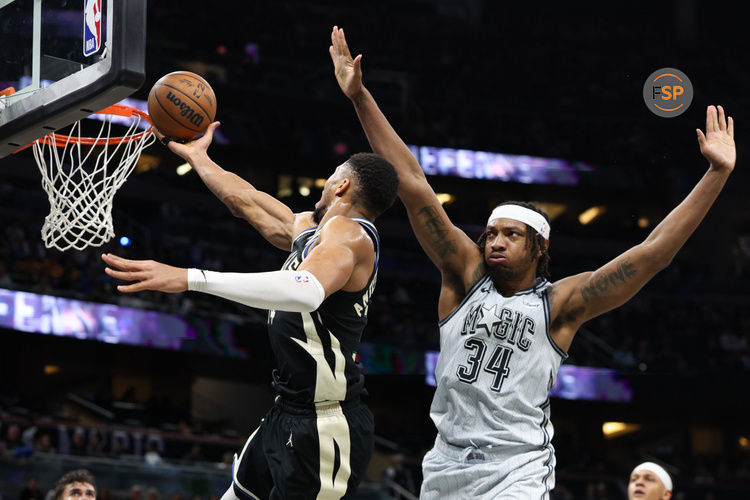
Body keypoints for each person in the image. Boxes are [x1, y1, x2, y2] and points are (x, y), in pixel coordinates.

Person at [329, 26, 736, 499]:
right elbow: (413, 182)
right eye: (490, 234)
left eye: (511, 235)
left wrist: (716, 173)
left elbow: (653, 254)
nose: (494, 242)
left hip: (518, 469)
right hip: (445, 466)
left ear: (539, 248)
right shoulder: (464, 275)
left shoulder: (562, 303)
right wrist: (359, 96)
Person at [101, 124, 399, 500]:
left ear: (342, 186)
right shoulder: (312, 229)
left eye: (331, 178)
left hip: (326, 425)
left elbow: (305, 292)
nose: (325, 184)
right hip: (287, 410)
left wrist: (191, 278)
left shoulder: (351, 234)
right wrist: (199, 158)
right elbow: (246, 200)